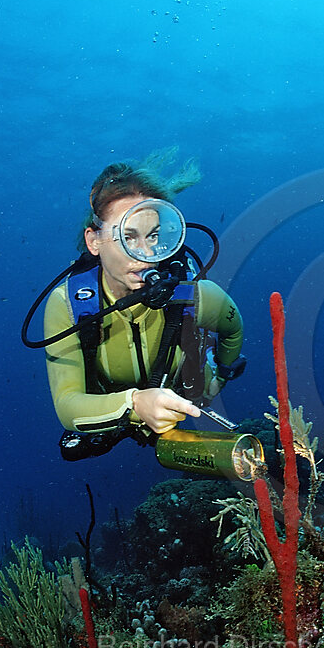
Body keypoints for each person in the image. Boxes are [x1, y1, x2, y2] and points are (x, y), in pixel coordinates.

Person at [40, 151, 244, 459]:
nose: (146, 253)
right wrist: (133, 404)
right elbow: (67, 405)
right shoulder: (68, 306)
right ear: (94, 241)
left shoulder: (193, 295)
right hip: (113, 410)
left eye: (153, 237)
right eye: (128, 237)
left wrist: (220, 376)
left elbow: (233, 327)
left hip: (183, 395)